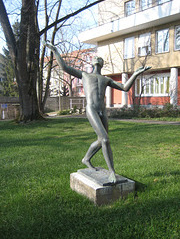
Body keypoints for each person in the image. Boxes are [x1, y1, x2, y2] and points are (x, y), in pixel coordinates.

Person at [44, 41, 151, 183]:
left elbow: (125, 87)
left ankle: (86, 158)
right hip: (92, 109)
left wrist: (136, 74)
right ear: (93, 62)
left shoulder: (106, 79)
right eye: (95, 58)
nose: (97, 59)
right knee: (105, 139)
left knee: (102, 140)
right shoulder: (84, 75)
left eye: (99, 59)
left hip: (102, 111)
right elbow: (64, 67)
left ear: (102, 63)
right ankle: (112, 172)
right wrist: (55, 51)